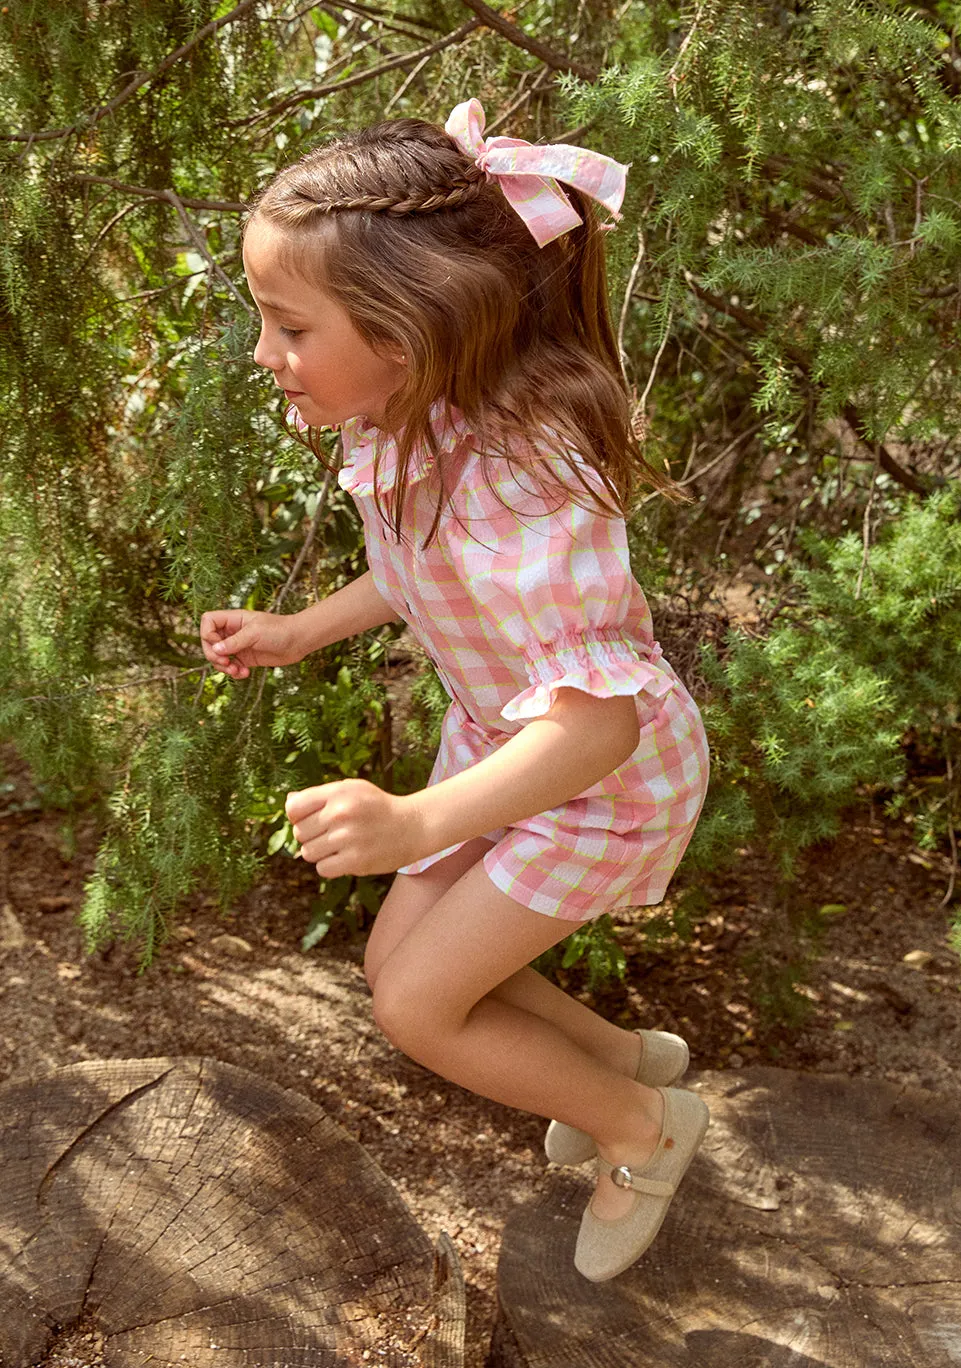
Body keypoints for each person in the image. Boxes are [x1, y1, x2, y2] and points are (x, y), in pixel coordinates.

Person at [199, 99, 710, 1283]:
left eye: (286, 325)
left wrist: (417, 821)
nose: (263, 353)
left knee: (420, 1009)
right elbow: (409, 569)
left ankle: (645, 1131)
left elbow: (599, 721)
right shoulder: (409, 418)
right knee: (402, 964)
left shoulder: (528, 472)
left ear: (406, 324)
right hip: (502, 750)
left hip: (595, 784)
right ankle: (624, 1066)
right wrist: (299, 630)